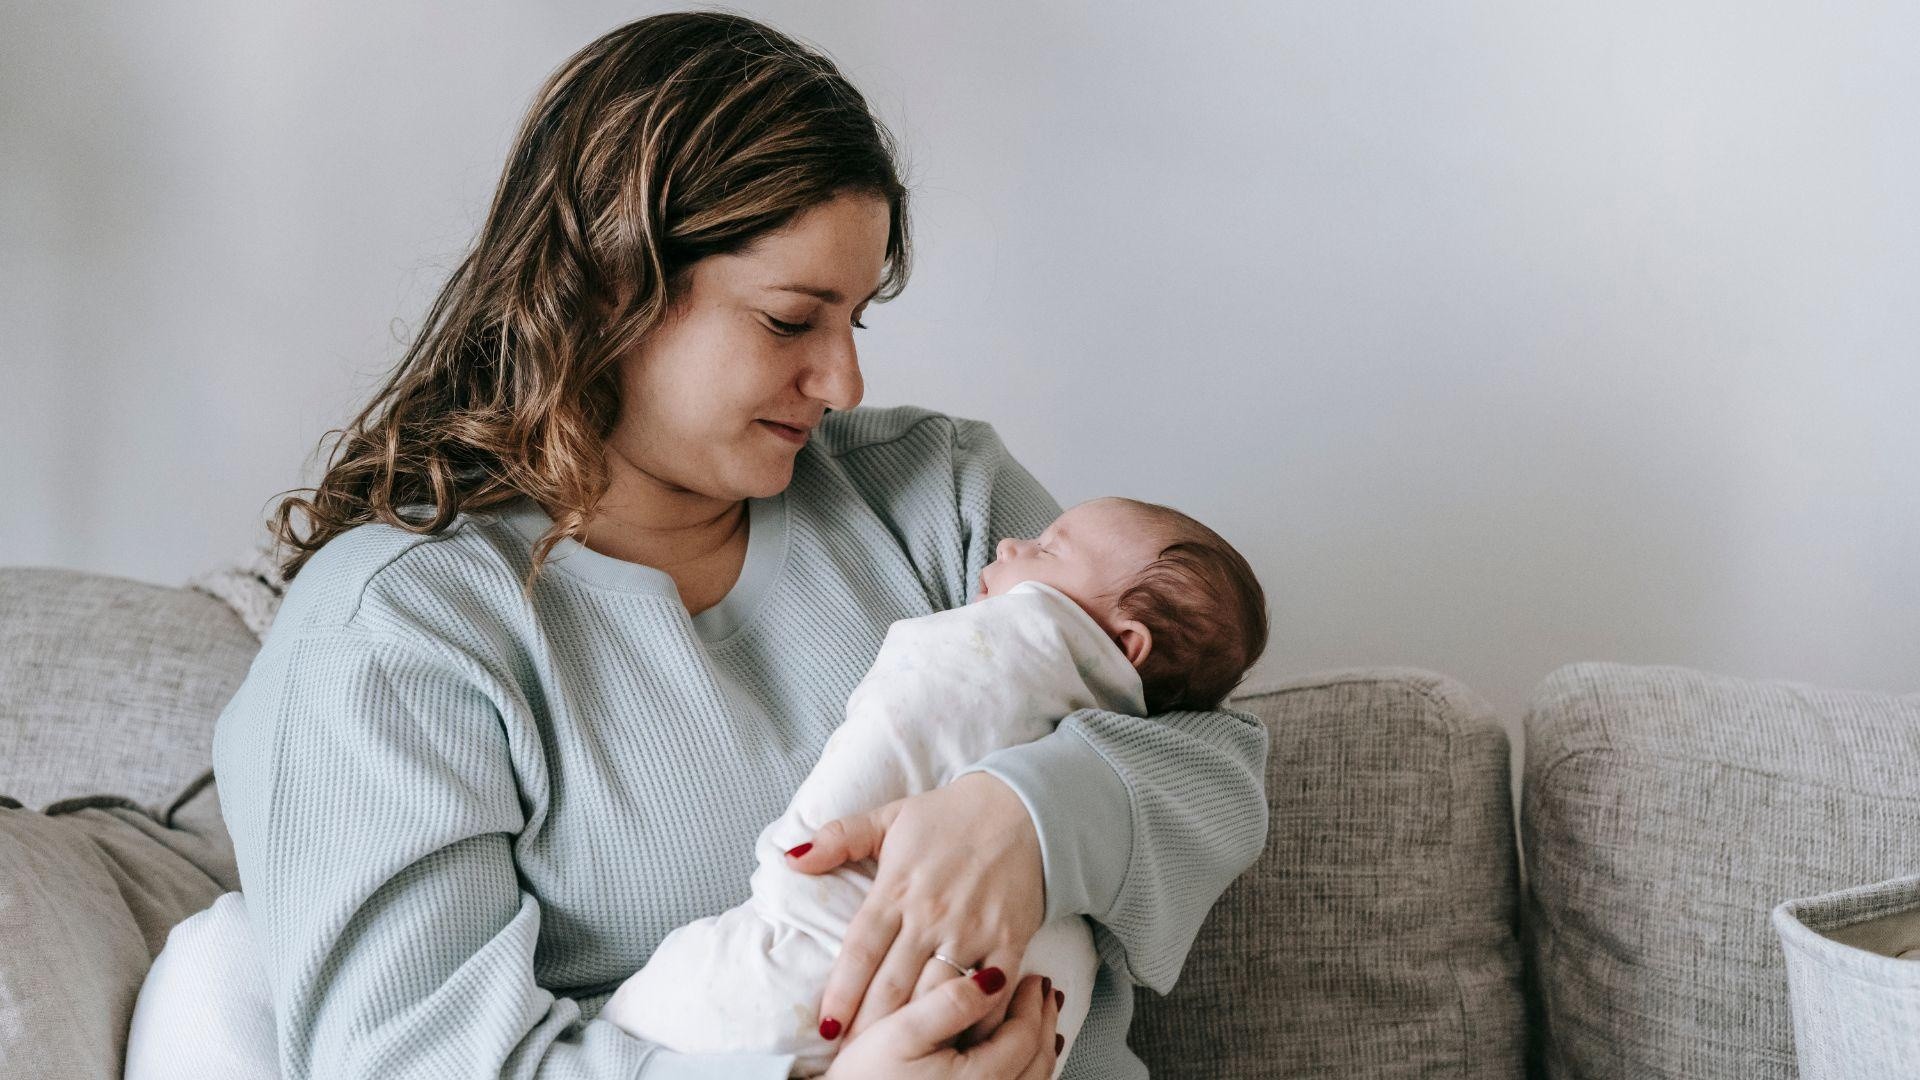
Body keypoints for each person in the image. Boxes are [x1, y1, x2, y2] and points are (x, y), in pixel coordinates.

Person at [136, 12, 1270, 1080]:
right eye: (790, 320)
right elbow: (416, 1055)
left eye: (856, 320)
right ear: (610, 288)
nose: (844, 382)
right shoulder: (397, 630)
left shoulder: (940, 498)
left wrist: (1026, 821)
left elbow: (1215, 763)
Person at [599, 496, 1270, 1076]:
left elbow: (1228, 767)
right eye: (789, 334)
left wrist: (1025, 812)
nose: (1013, 543)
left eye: (1044, 548)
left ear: (1128, 647)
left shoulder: (960, 507)